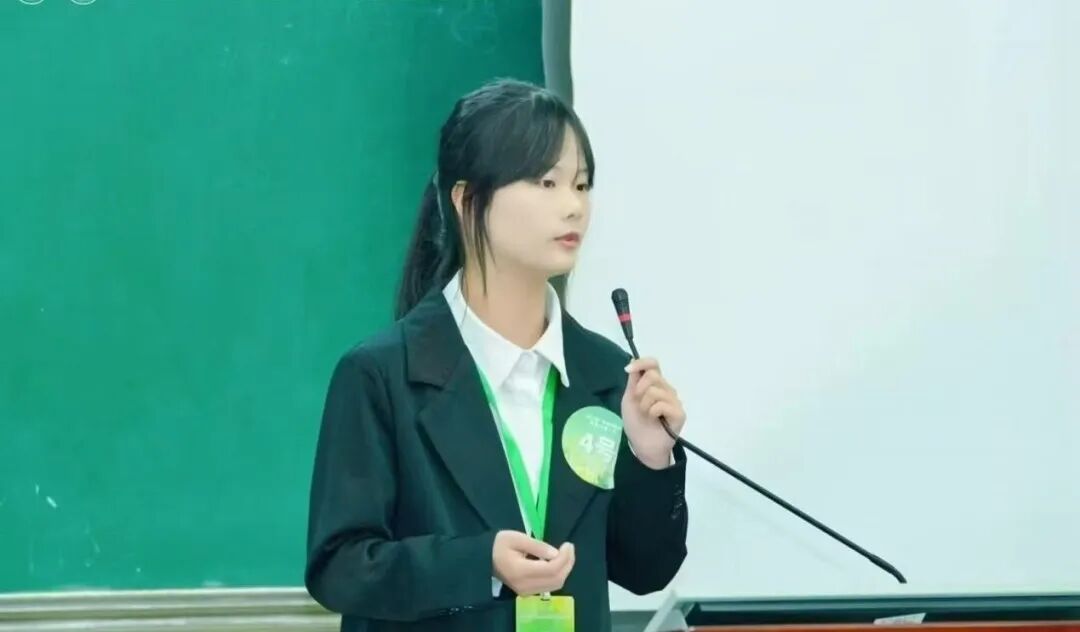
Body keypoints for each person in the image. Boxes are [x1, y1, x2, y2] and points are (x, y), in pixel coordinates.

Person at [305, 78, 689, 632]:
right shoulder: (382, 375)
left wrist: (651, 459)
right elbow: (339, 567)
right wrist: (479, 564)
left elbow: (644, 569)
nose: (573, 206)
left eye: (581, 185)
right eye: (546, 182)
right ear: (467, 201)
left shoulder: (606, 374)